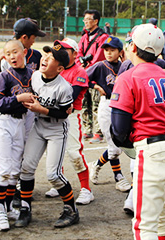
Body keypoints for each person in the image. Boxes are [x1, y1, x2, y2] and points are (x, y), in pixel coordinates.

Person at [110, 23, 165, 240]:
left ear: (134, 49)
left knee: (144, 225)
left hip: (153, 151)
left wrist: (133, 144)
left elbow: (118, 130)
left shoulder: (128, 77)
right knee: (164, 219)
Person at [0, 17, 46, 204]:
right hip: (9, 109)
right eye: (33, 37)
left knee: (21, 148)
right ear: (24, 37)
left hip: (28, 112)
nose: (34, 40)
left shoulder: (37, 56)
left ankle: (13, 187)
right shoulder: (6, 57)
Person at [15, 44, 79, 228]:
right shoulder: (35, 76)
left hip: (57, 130)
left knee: (54, 174)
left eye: (51, 58)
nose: (45, 58)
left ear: (59, 68)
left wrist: (41, 109)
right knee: (26, 168)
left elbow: (63, 113)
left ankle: (71, 210)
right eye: (46, 54)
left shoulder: (64, 87)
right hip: (38, 126)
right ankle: (25, 209)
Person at [0, 40, 34, 231]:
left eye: (15, 52)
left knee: (15, 171)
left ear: (24, 52)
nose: (12, 56)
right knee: (4, 170)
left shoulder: (33, 75)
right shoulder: (4, 76)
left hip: (21, 123)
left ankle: (7, 208)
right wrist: (18, 98)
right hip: (3, 123)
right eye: (8, 54)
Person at [43, 38, 94, 205]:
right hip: (52, 115)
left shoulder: (79, 72)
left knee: (73, 153)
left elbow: (69, 98)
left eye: (64, 51)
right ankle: (59, 185)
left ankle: (86, 189)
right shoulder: (55, 69)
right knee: (54, 153)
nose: (60, 54)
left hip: (70, 116)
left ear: (74, 53)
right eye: (58, 51)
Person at [86, 36, 131, 192]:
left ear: (120, 52)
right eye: (106, 50)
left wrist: (125, 61)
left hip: (122, 107)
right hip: (107, 105)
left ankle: (96, 164)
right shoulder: (100, 66)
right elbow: (83, 78)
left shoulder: (125, 66)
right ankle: (119, 177)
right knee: (114, 146)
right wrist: (96, 86)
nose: (109, 53)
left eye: (113, 50)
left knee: (118, 143)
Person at [76, 9, 109, 143]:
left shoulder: (103, 37)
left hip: (95, 77)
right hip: (83, 76)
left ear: (96, 21)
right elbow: (78, 53)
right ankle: (87, 130)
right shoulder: (84, 37)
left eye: (88, 19)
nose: (85, 22)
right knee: (84, 103)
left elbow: (99, 57)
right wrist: (80, 65)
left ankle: (98, 132)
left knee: (96, 104)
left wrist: (87, 68)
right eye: (85, 19)